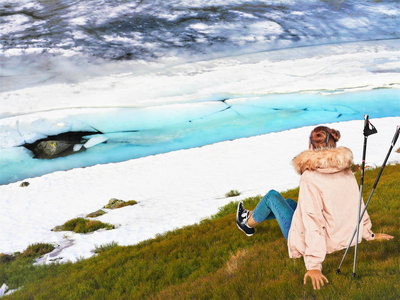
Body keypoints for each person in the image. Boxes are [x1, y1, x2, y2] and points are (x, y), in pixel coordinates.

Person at [236, 125, 394, 290]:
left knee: (272, 197)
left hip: (323, 238)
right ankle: (250, 214)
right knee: (289, 203)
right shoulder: (347, 171)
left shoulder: (309, 177)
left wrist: (314, 266)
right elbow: (358, 205)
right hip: (342, 234)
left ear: (311, 147)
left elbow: (313, 221)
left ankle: (246, 224)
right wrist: (370, 234)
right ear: (334, 145)